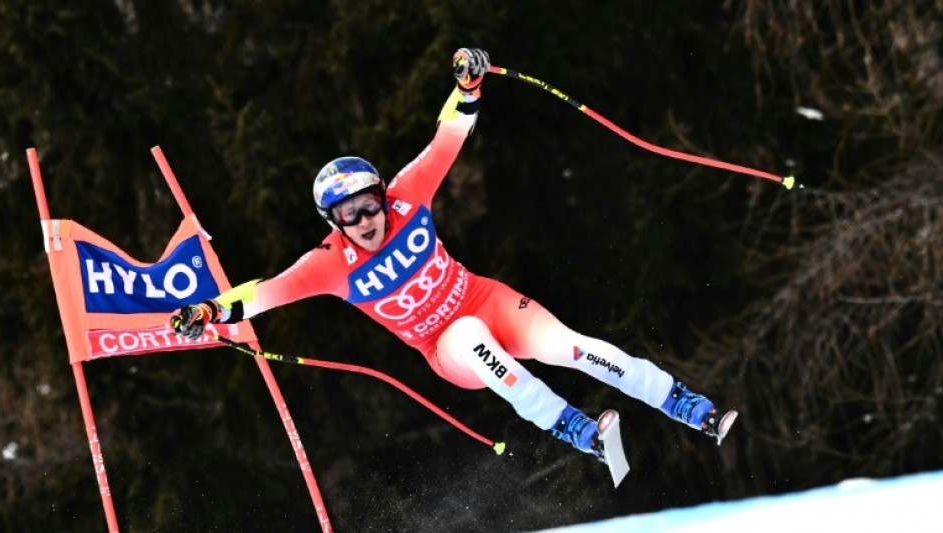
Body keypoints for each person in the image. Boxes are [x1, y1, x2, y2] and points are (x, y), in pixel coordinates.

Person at [171, 48, 737, 463]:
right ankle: (573, 428)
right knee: (470, 337)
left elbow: (448, 136)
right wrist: (208, 311)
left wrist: (467, 86)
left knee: (575, 349)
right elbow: (261, 292)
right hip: (449, 349)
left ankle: (689, 407)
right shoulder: (329, 264)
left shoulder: (407, 196)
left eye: (370, 205)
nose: (367, 221)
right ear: (333, 223)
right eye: (351, 215)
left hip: (486, 299)